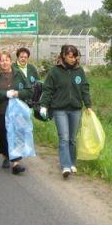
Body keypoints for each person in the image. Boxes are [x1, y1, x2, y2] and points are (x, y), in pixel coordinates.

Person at [39, 45, 92, 179]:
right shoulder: (54, 72)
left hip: (75, 109)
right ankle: (65, 166)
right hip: (60, 109)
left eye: (75, 56)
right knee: (64, 138)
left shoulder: (79, 71)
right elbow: (47, 90)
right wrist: (44, 105)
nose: (73, 59)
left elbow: (84, 88)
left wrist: (88, 105)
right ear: (63, 56)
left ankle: (72, 162)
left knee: (72, 139)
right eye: (70, 56)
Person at [0, 51, 32, 174]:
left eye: (7, 60)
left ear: (10, 61)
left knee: (15, 135)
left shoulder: (19, 74)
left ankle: (16, 163)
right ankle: (5, 155)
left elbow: (29, 91)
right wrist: (5, 94)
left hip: (16, 113)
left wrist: (18, 93)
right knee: (1, 136)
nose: (4, 62)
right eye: (2, 60)